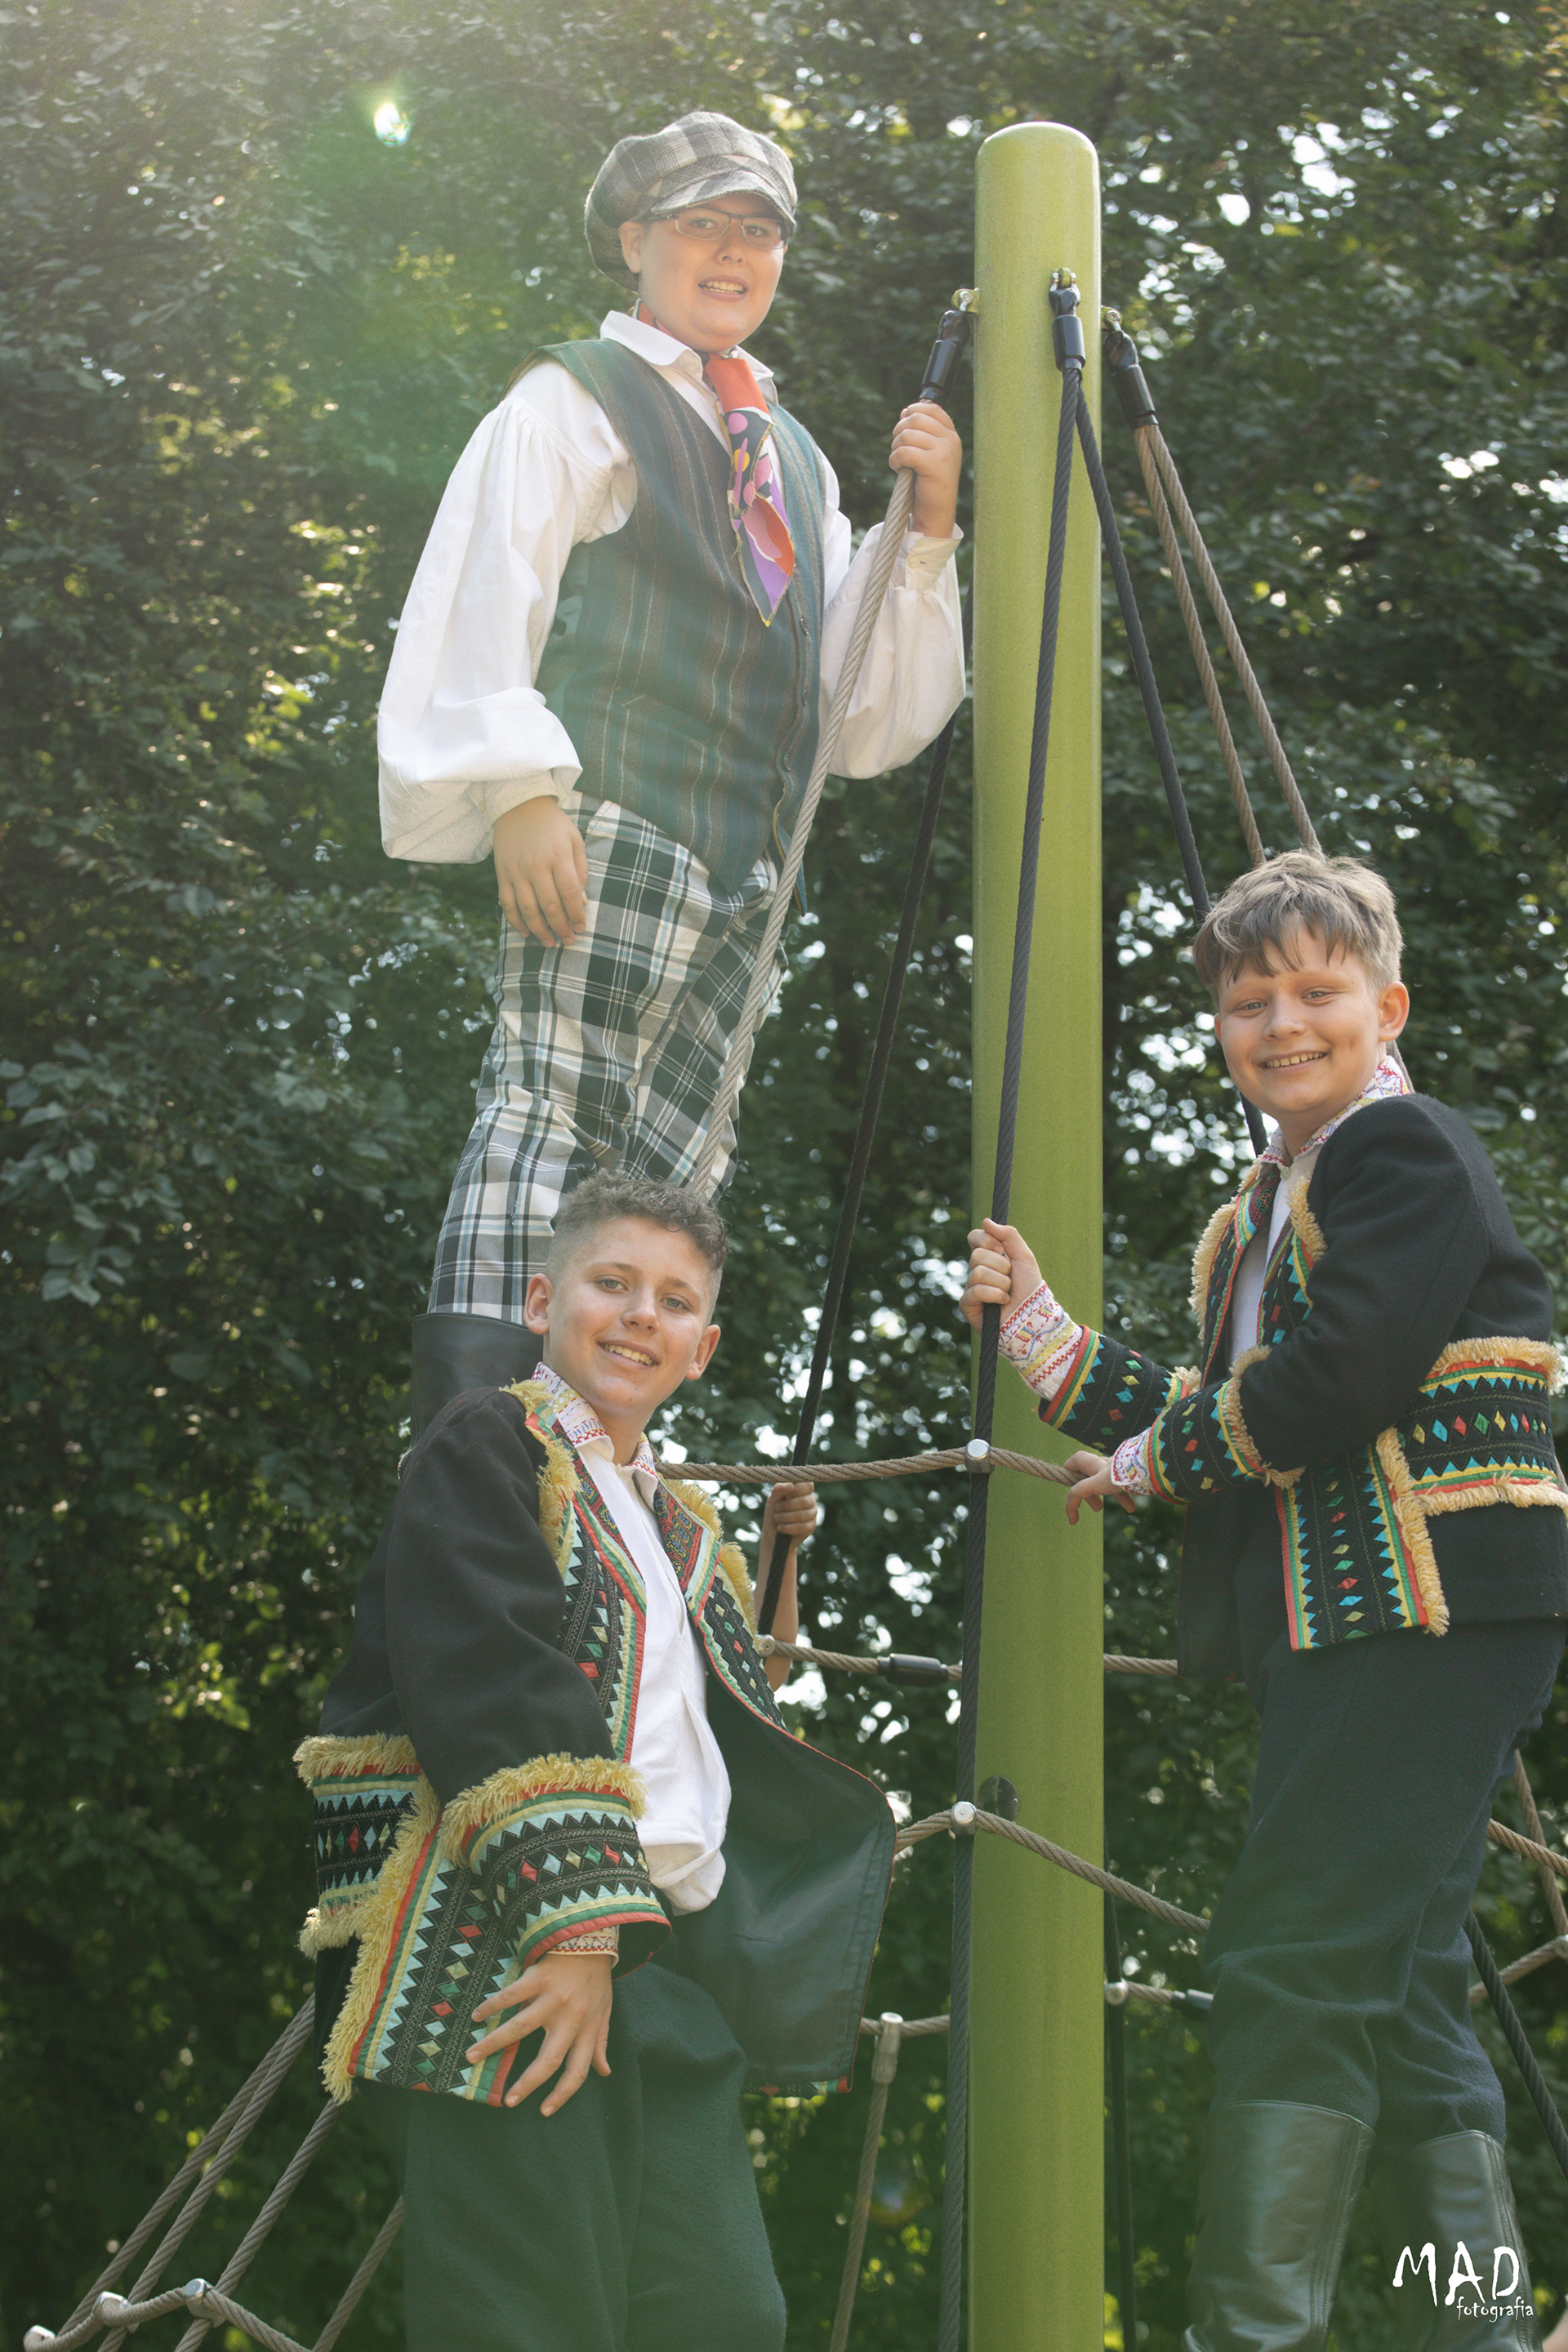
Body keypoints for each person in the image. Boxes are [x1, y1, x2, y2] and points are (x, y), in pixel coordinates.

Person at [963, 852, 1567, 2352]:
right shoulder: (1260, 1215)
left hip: (1424, 1602)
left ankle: (1253, 2339)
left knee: (1288, 1955)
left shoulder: (1399, 1149)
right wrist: (1043, 1336)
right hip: (1365, 1614)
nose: (1282, 1023)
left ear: (1386, 1009)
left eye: (1316, 991)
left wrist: (1161, 1459)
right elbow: (1229, 1408)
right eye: (1249, 1001)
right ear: (1221, 1029)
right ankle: (1479, 2332)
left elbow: (1339, 1378)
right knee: (1403, 1984)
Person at [378, 110, 965, 1431]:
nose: (733, 252)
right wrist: (519, 790)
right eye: (704, 224)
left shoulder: (794, 456)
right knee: (552, 1113)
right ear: (637, 238)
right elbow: (490, 576)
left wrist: (922, 538)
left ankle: (603, 1460)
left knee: (678, 1175)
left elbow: (853, 713)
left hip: (750, 870)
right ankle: (481, 1440)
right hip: (616, 823)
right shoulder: (580, 395)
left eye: (758, 230)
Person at [296, 1169, 893, 2352]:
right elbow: (494, 1678)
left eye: (674, 1300)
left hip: (658, 1965)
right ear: (540, 1301)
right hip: (499, 1943)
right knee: (531, 2318)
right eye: (611, 1283)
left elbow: (723, 1715)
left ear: (703, 1348)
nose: (638, 1316)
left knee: (723, 2315)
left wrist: (773, 1571)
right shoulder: (490, 1442)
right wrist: (572, 1931)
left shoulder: (676, 1524)